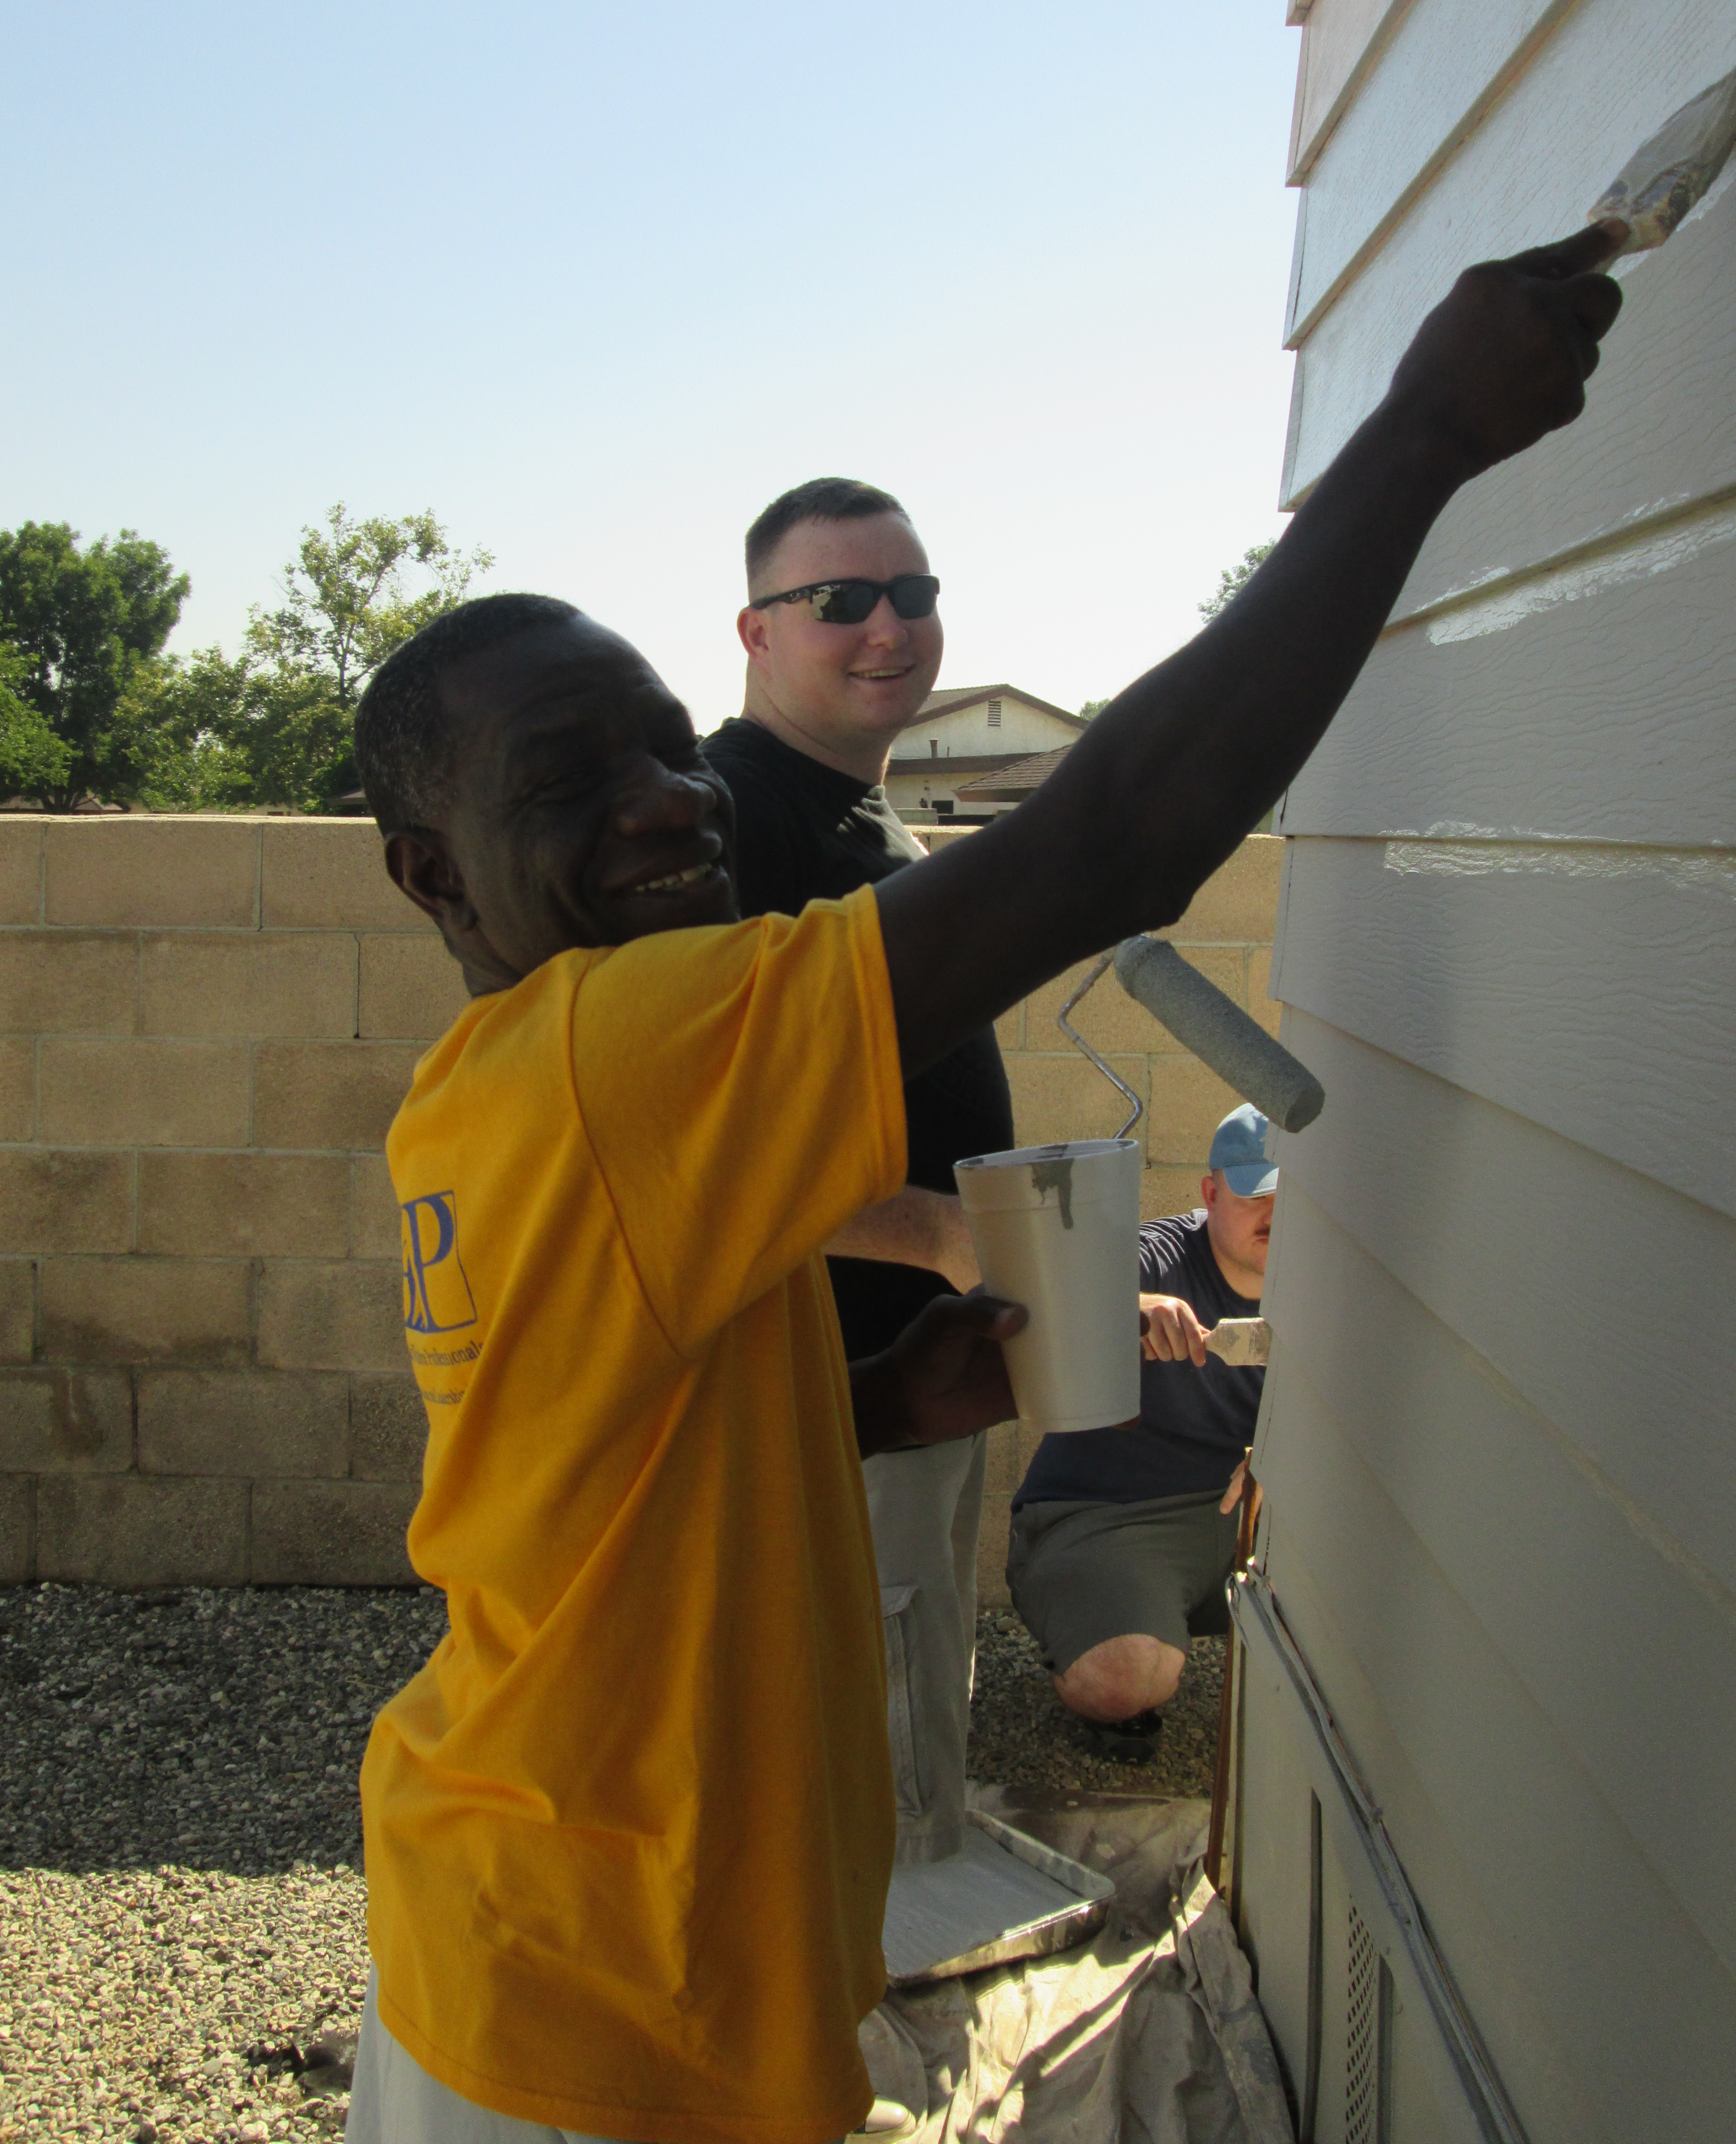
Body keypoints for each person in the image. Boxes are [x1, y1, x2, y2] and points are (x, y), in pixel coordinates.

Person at [344, 224, 1622, 2144]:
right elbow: (1115, 829)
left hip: (534, 1927)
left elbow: (598, 1448)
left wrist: (871, 1394)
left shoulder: (493, 1085)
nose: (663, 798)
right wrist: (1424, 432)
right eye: (563, 773)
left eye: (656, 750)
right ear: (430, 874)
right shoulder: (630, 1034)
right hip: (598, 2009)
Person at [702, 475, 1008, 1868]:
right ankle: (850, 2046)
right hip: (830, 1395)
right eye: (840, 602)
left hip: (923, 1372)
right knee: (853, 1749)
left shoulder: (866, 827)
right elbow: (691, 1146)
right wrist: (937, 1232)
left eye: (914, 593)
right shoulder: (728, 828)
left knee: (914, 1686)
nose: (889, 626)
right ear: (757, 633)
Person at [1007, 1102, 1275, 1762]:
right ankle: (1111, 1658)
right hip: (1117, 1518)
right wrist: (1132, 1306)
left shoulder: (1330, 1281)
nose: (1277, 1215)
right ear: (1211, 1193)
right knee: (1127, 1675)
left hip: (1258, 1512)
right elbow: (1048, 1288)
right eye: (1256, 1195)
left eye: (1294, 1197)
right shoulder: (1159, 1254)